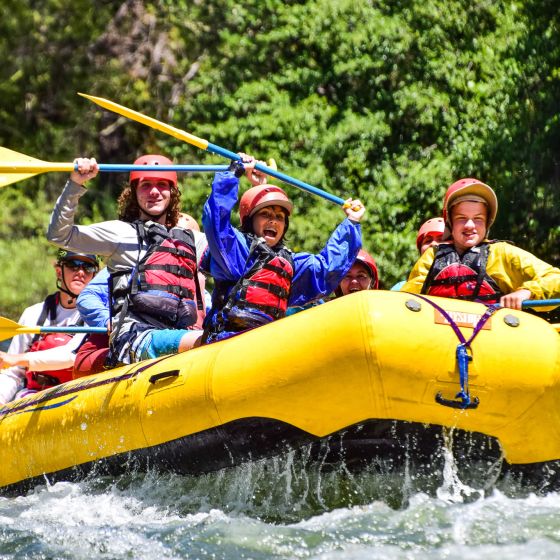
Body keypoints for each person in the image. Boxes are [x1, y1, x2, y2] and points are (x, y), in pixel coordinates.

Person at [47, 155, 207, 365]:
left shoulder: (192, 240)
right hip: (134, 339)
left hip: (178, 334)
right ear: (133, 192)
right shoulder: (120, 233)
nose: (154, 191)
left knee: (220, 336)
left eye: (161, 184)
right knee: (206, 340)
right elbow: (59, 235)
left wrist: (249, 182)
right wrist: (75, 183)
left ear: (172, 192)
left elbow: (240, 260)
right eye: (146, 185)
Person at [201, 153, 365, 343]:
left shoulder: (289, 264)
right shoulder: (238, 249)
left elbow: (326, 269)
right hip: (227, 340)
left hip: (267, 344)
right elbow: (216, 221)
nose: (273, 220)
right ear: (250, 220)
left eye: (280, 217)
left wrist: (351, 223)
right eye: (265, 214)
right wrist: (232, 174)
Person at [72, 213, 208, 377]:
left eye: (188, 239)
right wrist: (106, 321)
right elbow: (88, 297)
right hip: (120, 339)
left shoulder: (198, 286)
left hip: (173, 341)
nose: (182, 245)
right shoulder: (136, 262)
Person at [402, 178, 560, 309]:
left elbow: (555, 277)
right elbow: (405, 300)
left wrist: (527, 292)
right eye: (461, 218)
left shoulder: (502, 253)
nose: (469, 225)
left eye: (478, 219)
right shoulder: (433, 256)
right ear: (449, 222)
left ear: (487, 222)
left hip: (491, 338)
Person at [0, 249, 99, 403]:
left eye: (88, 267)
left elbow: (71, 355)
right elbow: (12, 373)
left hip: (76, 397)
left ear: (94, 276)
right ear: (59, 272)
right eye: (73, 265)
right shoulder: (33, 313)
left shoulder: (97, 316)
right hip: (33, 396)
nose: (80, 272)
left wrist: (17, 359)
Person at [391, 217, 446, 290]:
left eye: (441, 239)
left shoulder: (462, 281)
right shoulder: (399, 288)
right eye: (428, 241)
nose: (433, 244)